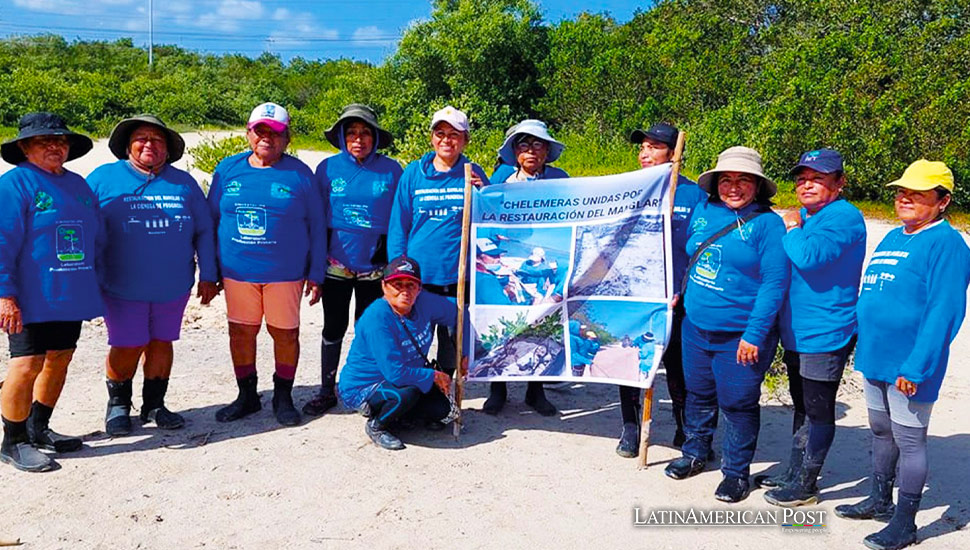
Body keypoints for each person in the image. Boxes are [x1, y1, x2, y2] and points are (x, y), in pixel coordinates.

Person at [835, 160, 970, 550]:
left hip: (910, 365)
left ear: (943, 201)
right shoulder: (895, 236)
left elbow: (944, 313)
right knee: (881, 430)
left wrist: (916, 365)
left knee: (910, 441)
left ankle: (905, 523)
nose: (904, 197)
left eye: (918, 192)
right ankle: (879, 499)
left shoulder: (947, 245)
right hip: (876, 356)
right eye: (901, 190)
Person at [664, 146, 790, 503]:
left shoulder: (767, 224)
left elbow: (774, 284)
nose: (734, 187)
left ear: (757, 186)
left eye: (743, 180)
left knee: (737, 403)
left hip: (740, 335)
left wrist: (754, 334)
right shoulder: (704, 210)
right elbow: (687, 254)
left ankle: (736, 473)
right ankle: (694, 453)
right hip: (695, 325)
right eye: (727, 180)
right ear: (716, 183)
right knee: (698, 395)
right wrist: (678, 292)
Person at [88, 115, 219, 436]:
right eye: (141, 138)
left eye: (157, 140)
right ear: (128, 145)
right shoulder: (103, 178)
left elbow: (203, 230)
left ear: (168, 148)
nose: (149, 145)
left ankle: (154, 404)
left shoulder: (183, 183)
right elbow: (82, 226)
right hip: (120, 285)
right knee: (127, 342)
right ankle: (118, 405)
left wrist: (209, 274)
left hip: (173, 284)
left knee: (162, 341)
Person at [207, 102, 326, 427]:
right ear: (248, 132)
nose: (267, 138)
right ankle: (246, 396)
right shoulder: (227, 170)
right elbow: (210, 221)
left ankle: (283, 396)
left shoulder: (300, 173)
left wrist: (316, 273)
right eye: (260, 130)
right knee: (241, 334)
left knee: (285, 334)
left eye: (275, 133)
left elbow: (317, 226)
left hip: (285, 273)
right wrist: (209, 271)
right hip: (237, 272)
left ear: (287, 138)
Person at [760, 149, 866, 506]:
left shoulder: (845, 217)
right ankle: (793, 470)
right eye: (802, 178)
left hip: (826, 331)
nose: (807, 184)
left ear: (839, 183)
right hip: (796, 330)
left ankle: (806, 485)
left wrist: (791, 226)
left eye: (818, 178)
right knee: (802, 405)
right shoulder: (807, 215)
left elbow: (809, 257)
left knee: (818, 408)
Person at [0, 113, 100, 472]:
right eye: (44, 141)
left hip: (69, 292)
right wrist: (4, 295)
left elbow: (95, 237)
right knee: (26, 365)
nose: (55, 147)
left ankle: (38, 427)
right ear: (25, 147)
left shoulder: (79, 185)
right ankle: (13, 442)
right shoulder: (14, 185)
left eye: (60, 141)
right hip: (29, 296)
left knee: (60, 358)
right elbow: (2, 242)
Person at [303, 104, 403, 417]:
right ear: (342, 137)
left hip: (376, 269)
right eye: (351, 133)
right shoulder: (328, 169)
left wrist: (395, 264)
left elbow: (402, 218)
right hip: (336, 266)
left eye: (364, 133)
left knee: (368, 327)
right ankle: (325, 389)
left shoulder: (392, 170)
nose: (358, 139)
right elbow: (317, 223)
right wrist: (315, 271)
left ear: (375, 137)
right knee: (333, 326)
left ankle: (367, 388)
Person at [616, 123, 707, 458]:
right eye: (642, 147)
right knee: (630, 362)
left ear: (673, 153)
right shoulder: (625, 189)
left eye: (654, 147)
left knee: (679, 369)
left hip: (676, 297)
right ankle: (630, 427)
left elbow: (699, 249)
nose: (644, 153)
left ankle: (685, 426)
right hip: (634, 296)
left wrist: (682, 288)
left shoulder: (693, 195)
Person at [387, 106, 486, 379]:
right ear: (432, 137)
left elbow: (489, 223)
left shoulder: (472, 172)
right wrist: (398, 272)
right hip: (418, 277)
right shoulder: (414, 173)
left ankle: (444, 394)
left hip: (459, 277)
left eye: (454, 134)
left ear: (465, 140)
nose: (446, 140)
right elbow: (399, 225)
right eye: (440, 133)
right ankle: (415, 393)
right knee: (414, 338)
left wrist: (483, 194)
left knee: (453, 342)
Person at [483, 119, 568, 416]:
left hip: (543, 262)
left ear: (547, 150)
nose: (531, 151)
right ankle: (498, 387)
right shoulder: (501, 180)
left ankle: (536, 389)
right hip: (512, 261)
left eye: (538, 144)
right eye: (524, 145)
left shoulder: (560, 180)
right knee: (506, 322)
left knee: (541, 323)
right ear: (514, 152)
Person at [338, 256, 457, 451]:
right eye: (397, 284)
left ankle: (400, 416)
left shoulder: (424, 301)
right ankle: (377, 426)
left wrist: (469, 352)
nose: (405, 290)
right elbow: (396, 373)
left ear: (419, 288)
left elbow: (460, 312)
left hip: (404, 377)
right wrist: (434, 375)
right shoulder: (377, 317)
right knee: (405, 395)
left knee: (441, 409)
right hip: (366, 386)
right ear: (384, 287)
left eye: (411, 285)